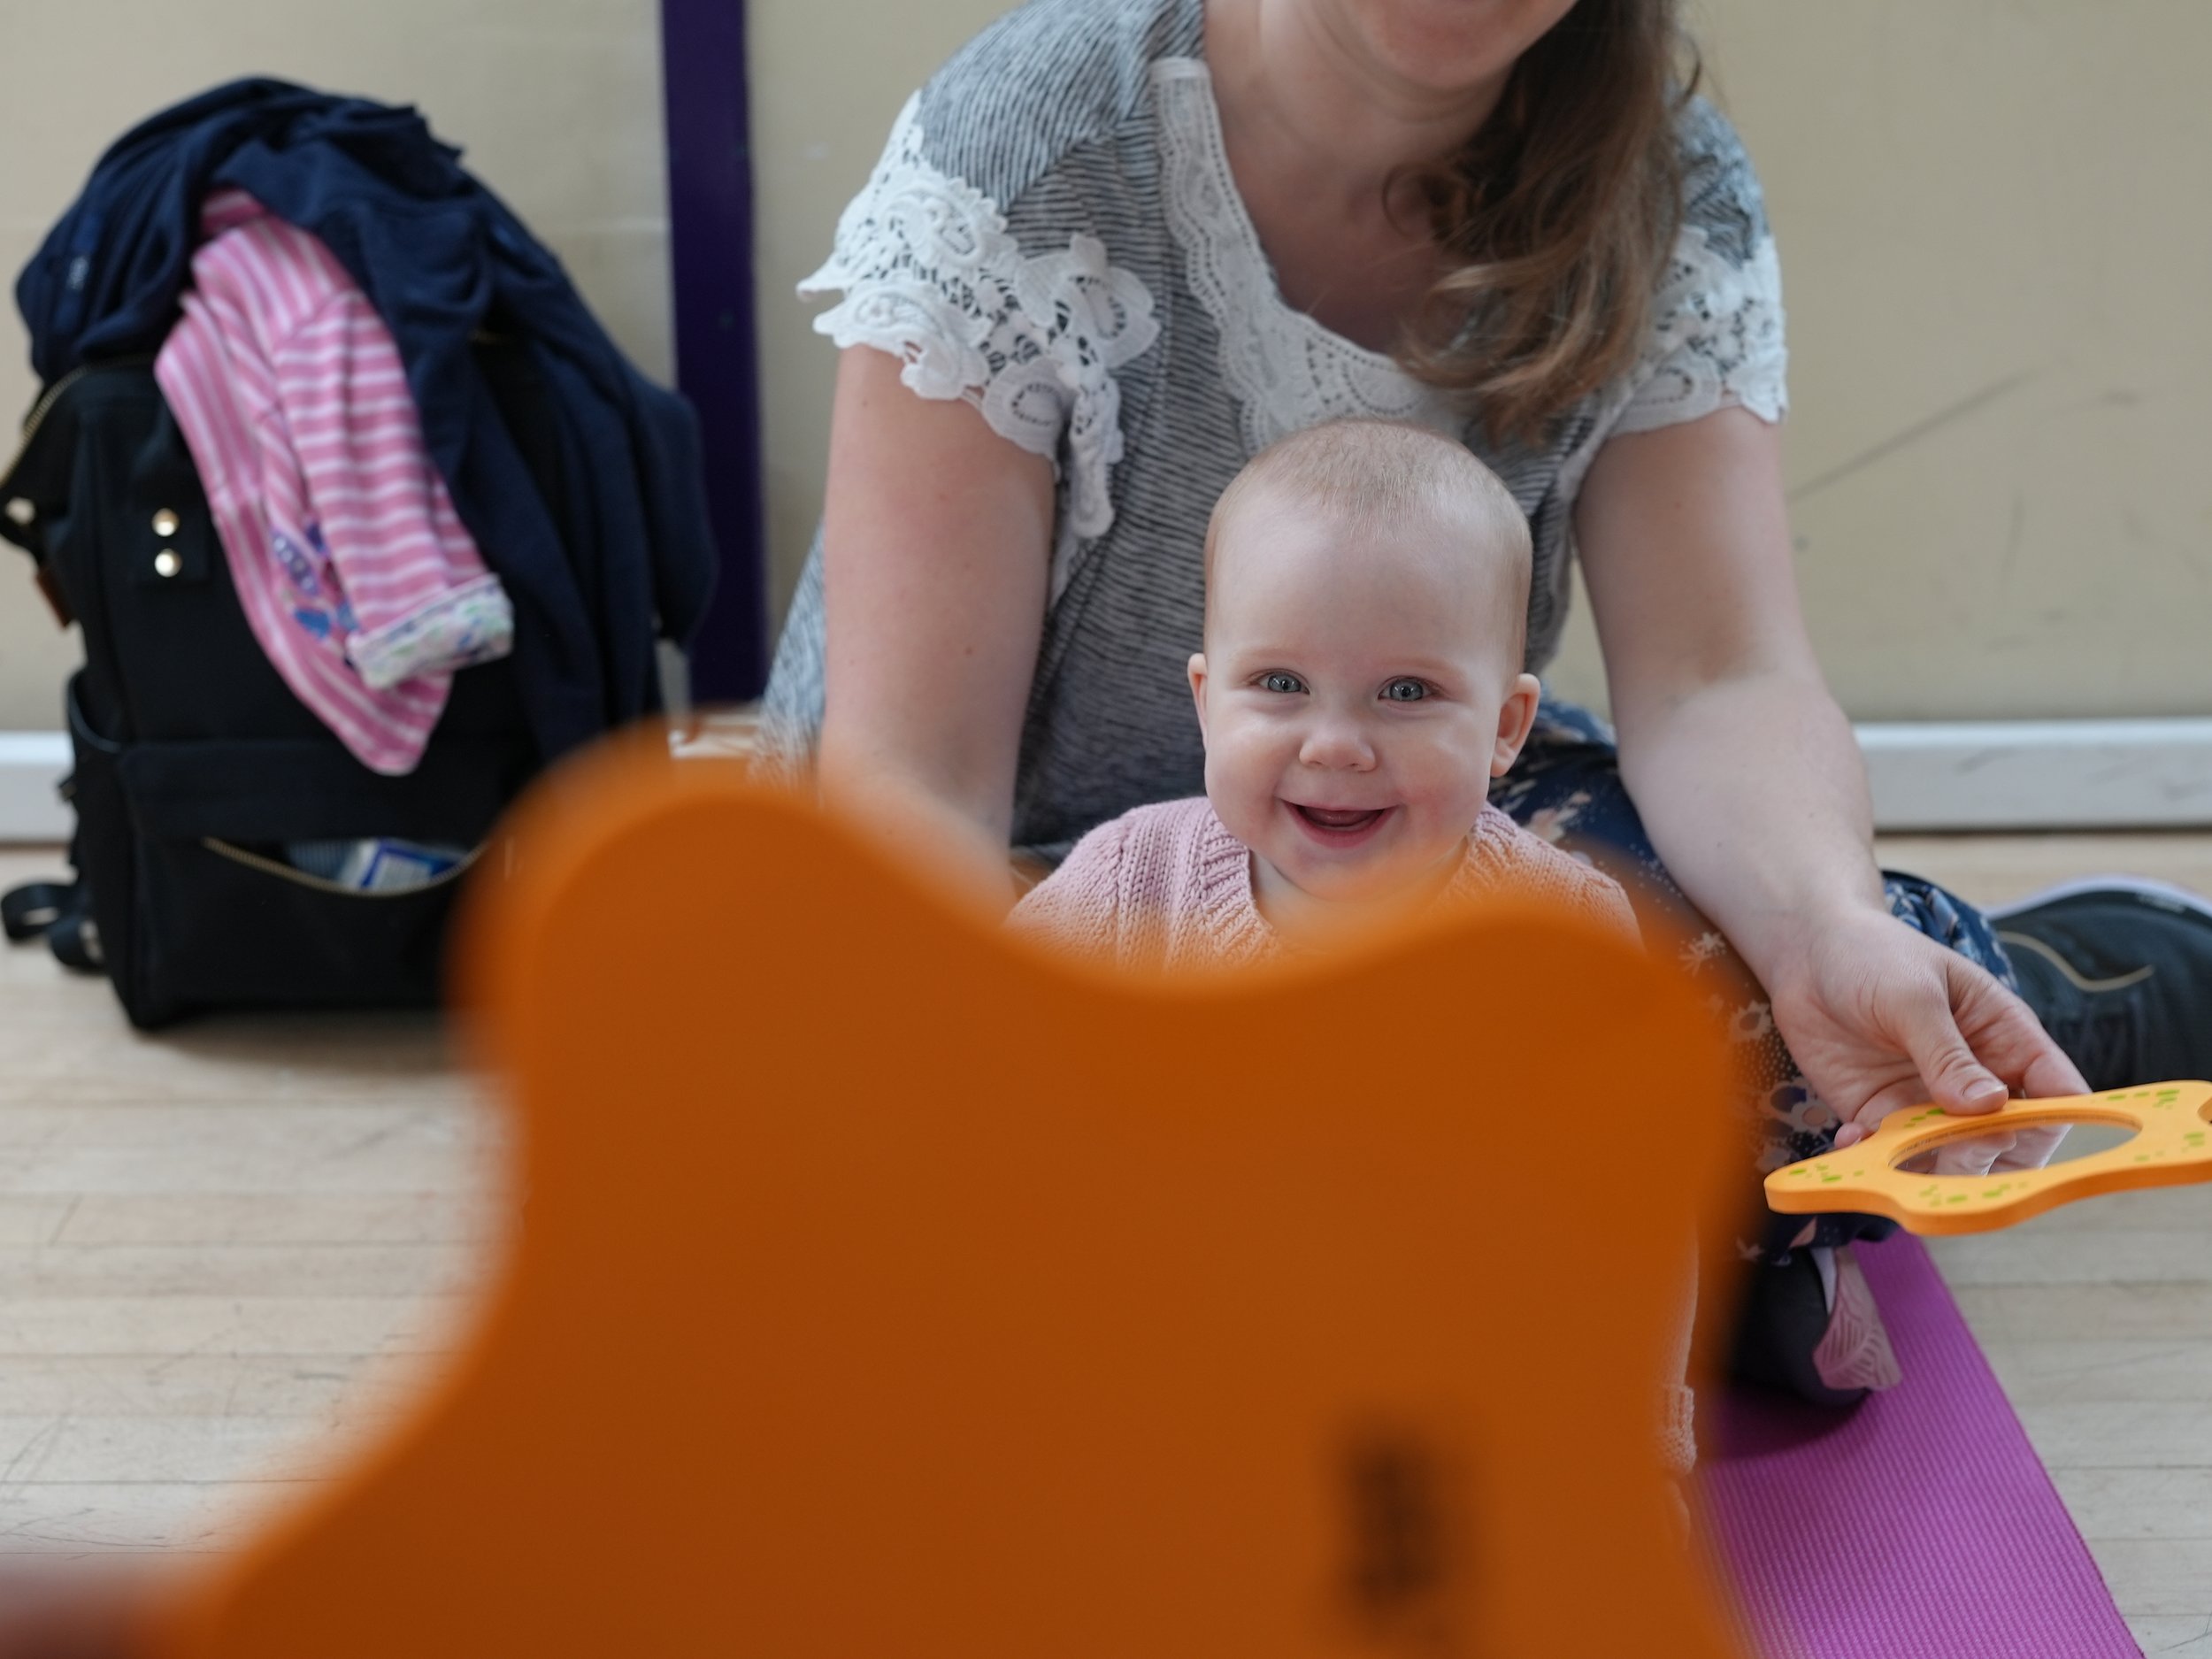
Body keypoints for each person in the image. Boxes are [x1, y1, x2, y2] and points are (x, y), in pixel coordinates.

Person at [761, 0, 2207, 1402]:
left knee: (1841, 1008)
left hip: (1405, 832)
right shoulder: (1035, 139)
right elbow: (914, 783)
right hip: (1033, 886)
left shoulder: (1664, 184)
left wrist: (1825, 927)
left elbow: (1716, 679)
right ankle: (1723, 1260)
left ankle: (2072, 988)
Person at [1010, 419, 1638, 966]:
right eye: (1282, 684)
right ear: (1208, 705)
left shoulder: (1568, 931)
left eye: (1407, 690)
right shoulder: (1124, 888)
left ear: (1504, 727)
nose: (1334, 746)